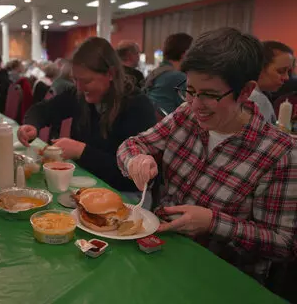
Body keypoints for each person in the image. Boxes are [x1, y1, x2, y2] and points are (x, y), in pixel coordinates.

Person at [117, 27, 297, 283]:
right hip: (159, 253)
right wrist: (136, 159)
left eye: (210, 95)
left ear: (246, 91)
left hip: (219, 278)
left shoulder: (279, 153)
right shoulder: (185, 114)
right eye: (190, 90)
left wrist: (213, 223)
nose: (196, 105)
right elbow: (133, 144)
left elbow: (283, 243)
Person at [18, 37, 156, 192]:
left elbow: (132, 177)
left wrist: (81, 151)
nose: (79, 87)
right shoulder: (80, 95)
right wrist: (32, 125)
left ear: (110, 74)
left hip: (123, 193)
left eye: (87, 81)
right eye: (75, 80)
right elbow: (42, 110)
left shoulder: (137, 106)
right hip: (84, 183)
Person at [145, 33, 193, 114]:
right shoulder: (178, 77)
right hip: (168, 123)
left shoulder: (156, 72)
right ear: (185, 54)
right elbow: (192, 108)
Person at [249, 41, 294, 124]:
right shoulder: (256, 99)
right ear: (260, 68)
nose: (287, 77)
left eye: (289, 72)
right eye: (281, 71)